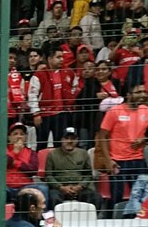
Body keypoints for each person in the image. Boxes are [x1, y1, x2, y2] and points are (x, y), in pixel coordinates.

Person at [94, 82, 148, 210]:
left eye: (144, 92)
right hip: (118, 161)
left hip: (138, 160)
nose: (143, 95)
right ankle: (113, 224)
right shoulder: (115, 111)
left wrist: (145, 139)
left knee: (142, 197)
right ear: (128, 95)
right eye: (138, 92)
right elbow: (103, 136)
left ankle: (140, 225)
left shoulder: (146, 110)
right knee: (116, 197)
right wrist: (108, 160)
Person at [44, 126, 102, 210]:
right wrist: (61, 187)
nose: (69, 141)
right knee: (53, 198)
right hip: (59, 188)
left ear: (77, 140)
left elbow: (88, 174)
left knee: (96, 198)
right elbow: (48, 176)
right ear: (61, 140)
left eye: (73, 138)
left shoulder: (83, 153)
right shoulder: (52, 154)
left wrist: (80, 186)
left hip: (80, 188)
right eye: (66, 138)